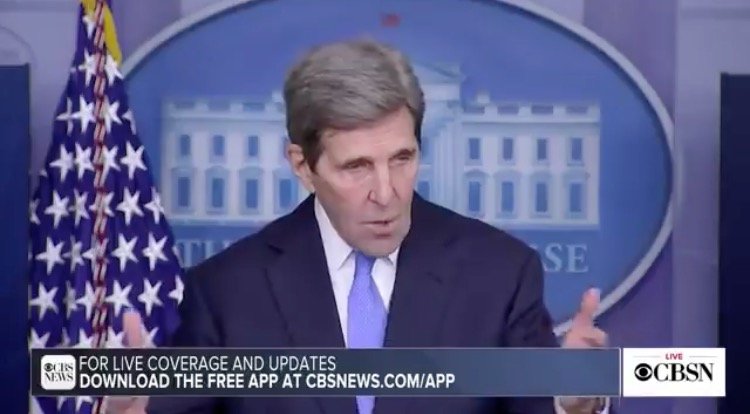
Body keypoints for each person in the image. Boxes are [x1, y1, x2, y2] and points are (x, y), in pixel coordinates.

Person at [110, 39, 611, 414]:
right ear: (303, 166)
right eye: (357, 167)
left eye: (402, 158)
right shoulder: (226, 290)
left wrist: (572, 401)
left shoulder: (499, 272)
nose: (386, 193)